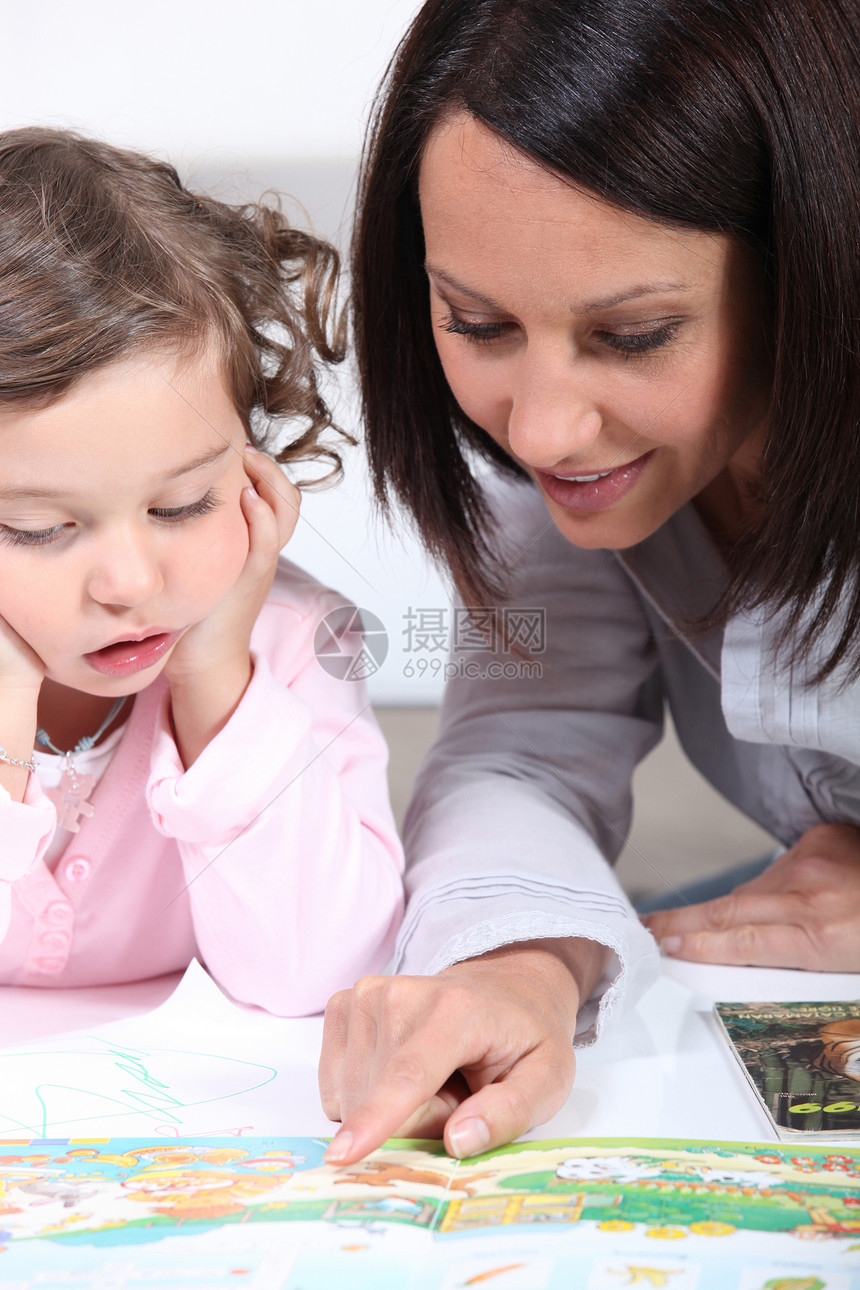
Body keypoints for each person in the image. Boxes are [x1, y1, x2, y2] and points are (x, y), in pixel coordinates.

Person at [320, 0, 860, 1164]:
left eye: (632, 336)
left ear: (812, 268)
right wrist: (518, 963)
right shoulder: (571, 470)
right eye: (477, 321)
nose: (547, 429)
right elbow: (519, 750)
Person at [0, 127, 404, 1014]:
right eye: (37, 527)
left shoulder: (295, 643)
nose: (131, 582)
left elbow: (323, 974)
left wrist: (217, 681)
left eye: (182, 506)